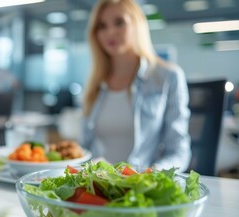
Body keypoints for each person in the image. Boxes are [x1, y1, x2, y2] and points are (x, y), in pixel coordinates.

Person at [80, 0, 191, 172]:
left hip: (143, 188)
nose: (110, 32)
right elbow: (85, 149)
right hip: (98, 187)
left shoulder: (168, 77)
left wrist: (153, 174)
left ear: (137, 25)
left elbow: (179, 151)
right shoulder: (95, 84)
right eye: (102, 26)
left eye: (119, 22)